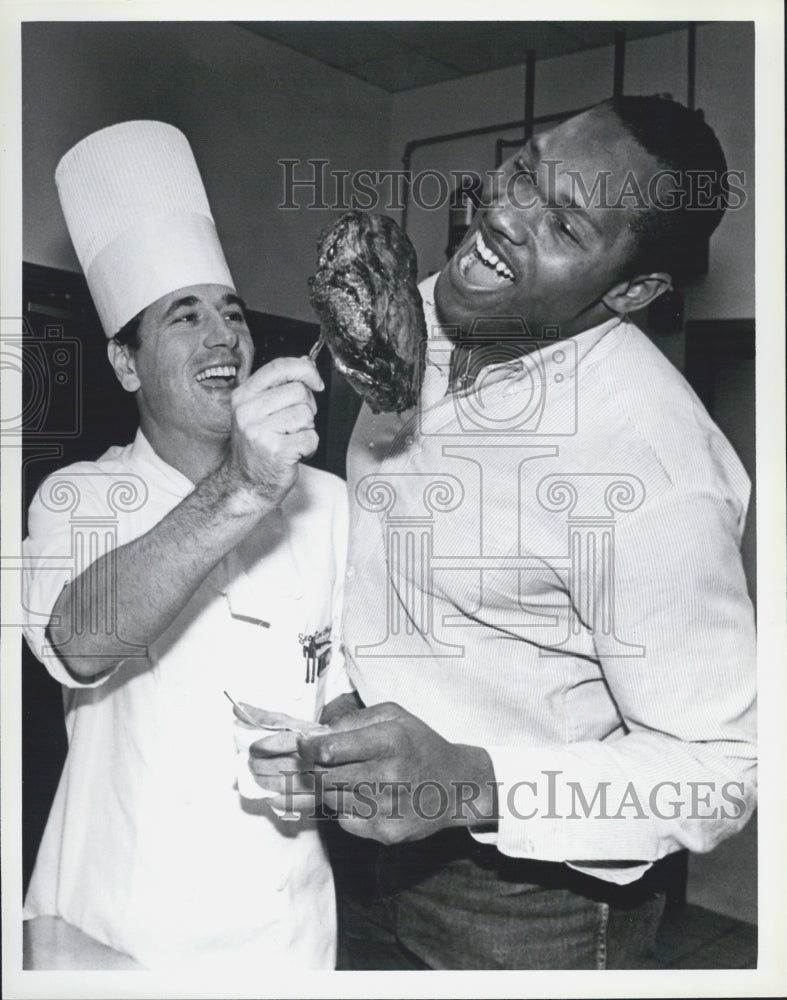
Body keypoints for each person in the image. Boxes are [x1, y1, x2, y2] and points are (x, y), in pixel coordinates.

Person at [251, 95, 757, 969]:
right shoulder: (420, 322)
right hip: (351, 846)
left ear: (630, 290)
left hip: (527, 907)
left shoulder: (651, 469)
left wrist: (470, 784)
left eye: (562, 222)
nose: (504, 213)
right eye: (524, 170)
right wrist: (337, 687)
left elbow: (721, 771)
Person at [22, 121, 347, 972]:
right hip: (120, 931)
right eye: (184, 316)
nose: (224, 338)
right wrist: (241, 484)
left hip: (288, 928)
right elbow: (77, 643)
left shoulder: (331, 504)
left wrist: (338, 756)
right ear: (125, 365)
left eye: (232, 314)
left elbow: (342, 683)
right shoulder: (81, 497)